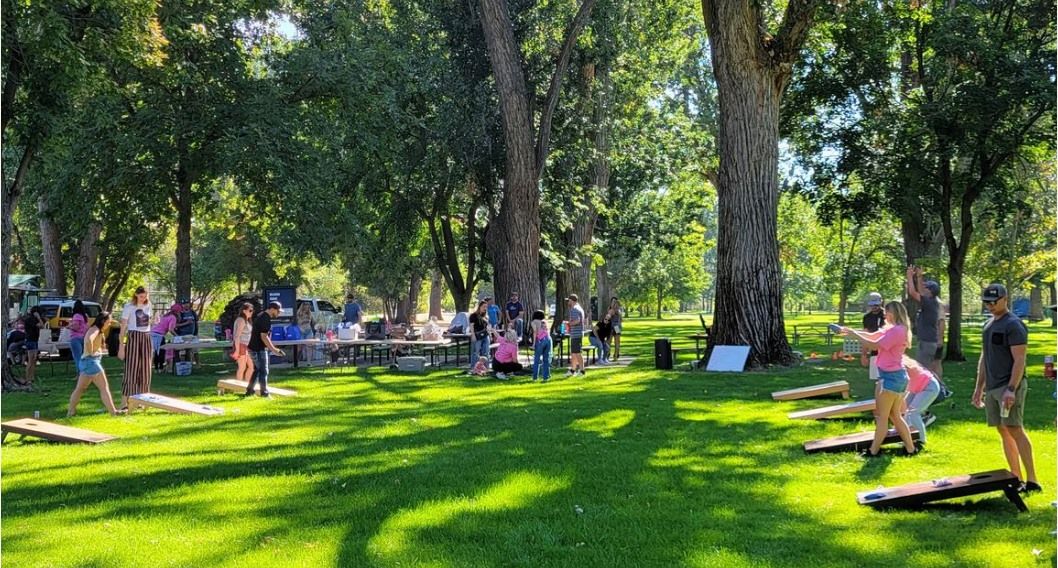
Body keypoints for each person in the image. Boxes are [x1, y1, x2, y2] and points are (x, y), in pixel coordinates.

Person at [972, 283, 1040, 493]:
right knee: (1003, 430)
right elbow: (985, 357)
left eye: (994, 301)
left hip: (1009, 386)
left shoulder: (1014, 325)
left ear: (1005, 299)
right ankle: (1015, 477)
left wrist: (1011, 389)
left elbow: (1019, 360)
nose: (991, 306)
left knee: (1015, 429)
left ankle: (1032, 481)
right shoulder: (988, 325)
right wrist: (979, 388)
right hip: (992, 387)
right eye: (987, 302)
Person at [840, 301, 919, 457]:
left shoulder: (897, 331)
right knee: (895, 415)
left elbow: (874, 345)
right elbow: (872, 335)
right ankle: (911, 449)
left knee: (882, 417)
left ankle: (873, 451)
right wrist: (851, 331)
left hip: (891, 378)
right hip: (895, 377)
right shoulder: (892, 329)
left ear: (894, 313)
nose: (884, 315)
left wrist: (854, 335)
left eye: (887, 312)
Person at [906, 266, 952, 399]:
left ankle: (933, 393)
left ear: (930, 292)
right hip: (930, 341)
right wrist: (919, 276)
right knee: (932, 368)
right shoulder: (933, 302)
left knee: (922, 370)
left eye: (926, 288)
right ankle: (942, 390)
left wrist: (910, 276)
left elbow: (913, 292)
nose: (923, 289)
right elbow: (919, 291)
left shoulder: (929, 303)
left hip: (927, 343)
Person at [67, 312, 119, 417]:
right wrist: (92, 352)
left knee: (79, 389)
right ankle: (113, 413)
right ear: (103, 321)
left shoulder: (96, 329)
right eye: (108, 322)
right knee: (104, 388)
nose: (109, 324)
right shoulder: (94, 329)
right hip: (91, 362)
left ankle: (70, 412)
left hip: (86, 362)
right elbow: (88, 340)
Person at [118, 286, 153, 410]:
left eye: (145, 296)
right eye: (141, 296)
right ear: (136, 295)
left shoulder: (149, 306)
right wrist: (121, 347)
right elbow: (123, 328)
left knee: (145, 369)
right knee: (131, 369)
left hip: (146, 337)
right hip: (133, 336)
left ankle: (143, 401)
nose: (143, 299)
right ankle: (124, 402)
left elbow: (148, 323)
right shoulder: (129, 307)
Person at [245, 301, 285, 398]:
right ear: (272, 309)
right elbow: (264, 337)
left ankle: (250, 391)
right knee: (263, 371)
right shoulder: (265, 319)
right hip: (258, 349)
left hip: (253, 347)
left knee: (257, 370)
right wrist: (274, 350)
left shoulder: (261, 315)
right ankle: (264, 393)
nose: (278, 313)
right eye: (278, 311)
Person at [903, 355, 941, 444]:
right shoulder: (896, 361)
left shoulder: (901, 364)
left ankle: (921, 440)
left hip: (929, 387)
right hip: (917, 388)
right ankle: (906, 437)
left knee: (913, 412)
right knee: (904, 409)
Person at [150, 303, 182, 371]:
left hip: (152, 333)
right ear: (178, 311)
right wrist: (178, 337)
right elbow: (171, 329)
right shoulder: (173, 317)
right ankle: (160, 368)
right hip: (159, 335)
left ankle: (155, 368)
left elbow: (164, 326)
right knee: (161, 352)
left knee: (156, 352)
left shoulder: (166, 315)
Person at [860, 292, 885, 375]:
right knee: (875, 376)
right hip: (874, 349)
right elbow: (865, 334)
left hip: (886, 348)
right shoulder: (867, 317)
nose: (874, 307)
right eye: (872, 305)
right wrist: (864, 354)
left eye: (876, 305)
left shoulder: (887, 315)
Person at [232, 302, 255, 383]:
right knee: (242, 367)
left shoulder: (247, 320)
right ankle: (238, 387)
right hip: (241, 346)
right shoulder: (241, 320)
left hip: (246, 346)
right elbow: (237, 336)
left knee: (251, 367)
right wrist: (237, 350)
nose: (252, 312)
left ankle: (247, 386)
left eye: (252, 311)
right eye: (250, 310)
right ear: (244, 311)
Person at [21, 306, 45, 384]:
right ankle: (28, 378)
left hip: (35, 340)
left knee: (34, 359)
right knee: (30, 360)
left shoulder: (33, 319)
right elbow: (41, 325)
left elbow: (42, 326)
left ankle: (32, 376)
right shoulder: (30, 320)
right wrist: (38, 318)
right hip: (30, 340)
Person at [565, 294, 586, 377]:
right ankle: (572, 370)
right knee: (573, 353)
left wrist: (568, 323)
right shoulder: (579, 308)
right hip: (577, 333)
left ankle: (582, 371)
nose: (568, 302)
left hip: (576, 334)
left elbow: (577, 321)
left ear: (572, 301)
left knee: (577, 353)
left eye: (569, 300)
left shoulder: (574, 309)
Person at [68, 300, 89, 379]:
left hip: (75, 338)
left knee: (77, 357)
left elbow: (76, 327)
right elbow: (87, 327)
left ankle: (79, 375)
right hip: (83, 337)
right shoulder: (85, 316)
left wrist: (69, 326)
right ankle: (85, 373)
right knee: (83, 357)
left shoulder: (76, 316)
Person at [530, 309, 552, 382]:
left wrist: (533, 344)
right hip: (548, 339)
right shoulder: (545, 322)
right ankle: (546, 377)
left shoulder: (534, 322)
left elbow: (535, 332)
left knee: (537, 360)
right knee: (546, 359)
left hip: (540, 340)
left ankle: (535, 377)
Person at [468, 300, 490, 371]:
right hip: (477, 336)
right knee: (475, 352)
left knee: (486, 352)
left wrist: (490, 335)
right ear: (479, 307)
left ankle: (486, 368)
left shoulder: (486, 316)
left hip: (485, 336)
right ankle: (474, 368)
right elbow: (471, 326)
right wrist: (473, 335)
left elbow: (487, 327)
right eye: (483, 307)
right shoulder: (473, 315)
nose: (485, 308)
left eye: (486, 307)